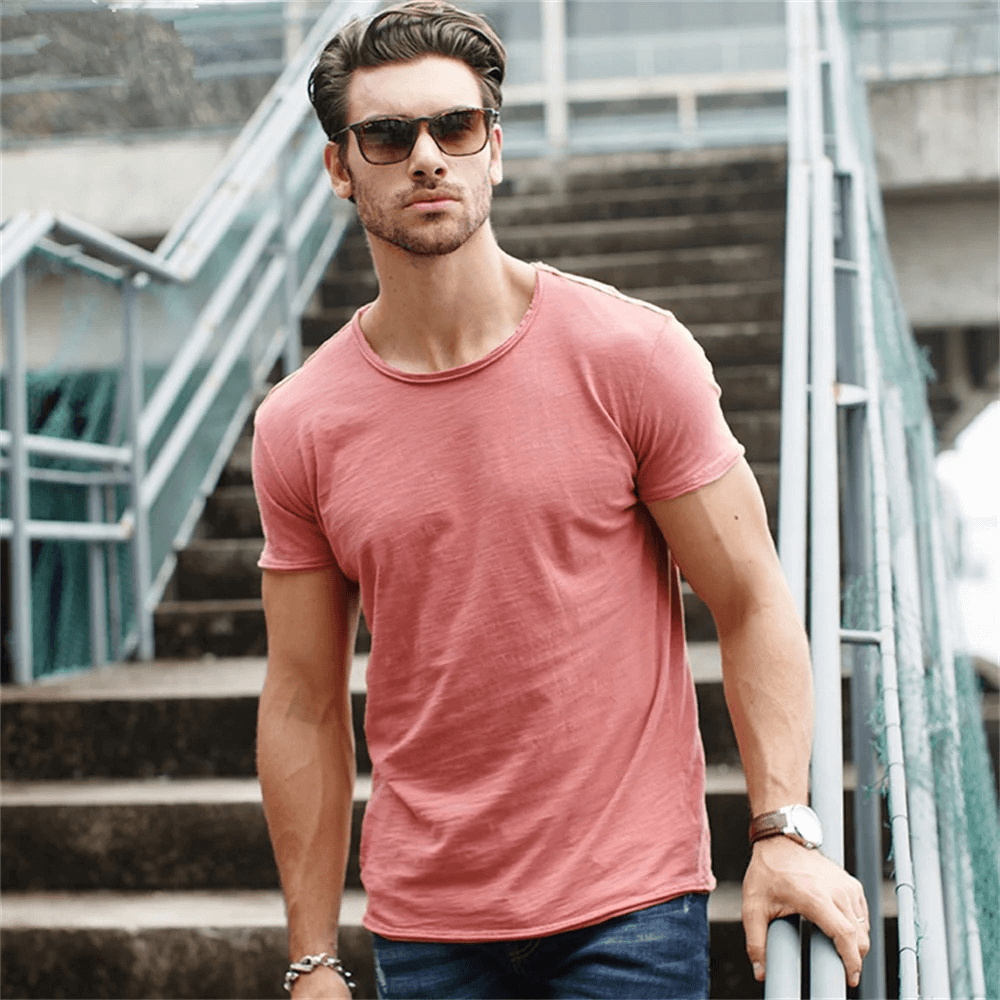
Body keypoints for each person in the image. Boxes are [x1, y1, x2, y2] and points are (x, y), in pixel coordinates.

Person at [252, 3, 871, 997]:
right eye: (386, 134)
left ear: (492, 149)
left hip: (627, 907)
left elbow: (750, 594)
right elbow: (300, 696)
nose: (425, 156)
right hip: (427, 924)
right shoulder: (301, 422)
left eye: (454, 128)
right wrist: (313, 955)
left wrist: (783, 826)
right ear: (340, 167)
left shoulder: (631, 354)